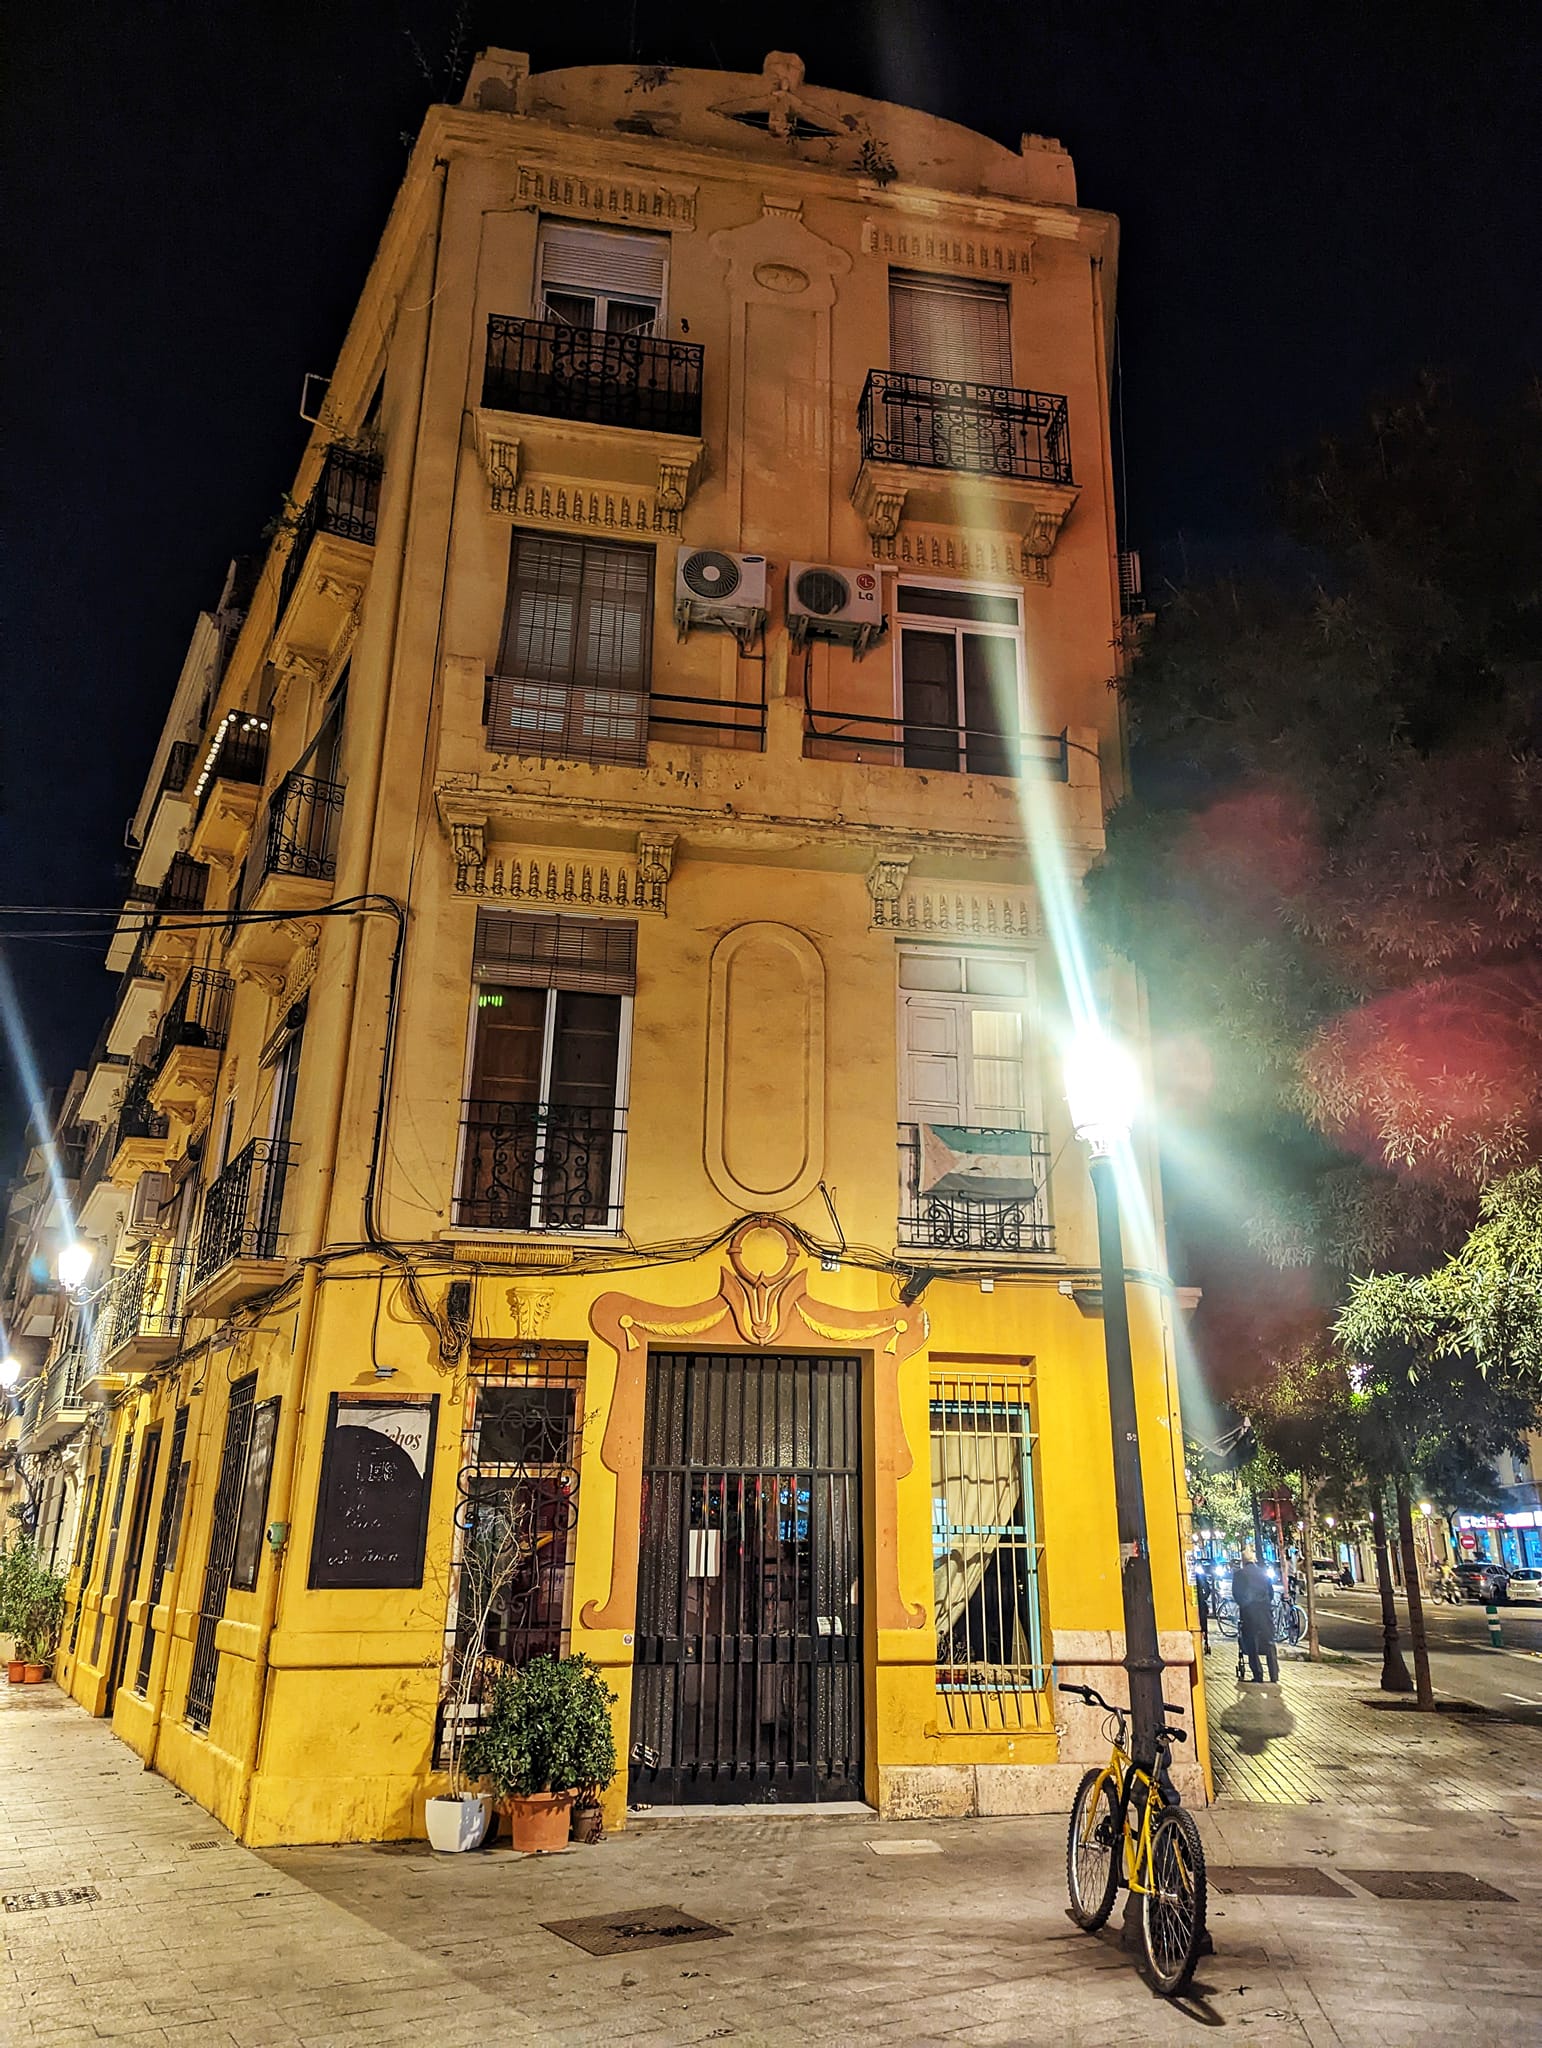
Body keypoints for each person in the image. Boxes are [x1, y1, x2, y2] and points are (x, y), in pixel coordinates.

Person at [1231, 1549, 1279, 1683]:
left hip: (1249, 1613)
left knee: (1252, 1643)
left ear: (1243, 1560)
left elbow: (1237, 1593)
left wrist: (1244, 1604)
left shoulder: (1240, 1574)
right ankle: (1274, 1674)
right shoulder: (1263, 1573)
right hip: (1265, 1612)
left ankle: (1258, 1674)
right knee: (1269, 1642)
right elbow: (1271, 1593)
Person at [1194, 1569, 1213, 1653]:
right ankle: (1205, 1642)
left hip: (1195, 1604)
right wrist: (1203, 1597)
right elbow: (1208, 1590)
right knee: (1203, 1625)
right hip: (1201, 1604)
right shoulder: (1200, 1576)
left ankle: (1199, 1643)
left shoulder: (1192, 1577)